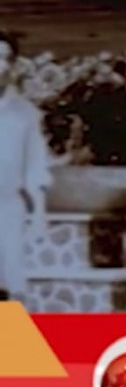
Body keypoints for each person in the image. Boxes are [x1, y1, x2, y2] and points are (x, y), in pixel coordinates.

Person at [0, 30, 51, 302]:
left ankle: (11, 330)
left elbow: (35, 166)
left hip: (8, 208)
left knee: (12, 284)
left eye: (5, 58)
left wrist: (39, 214)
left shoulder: (25, 113)